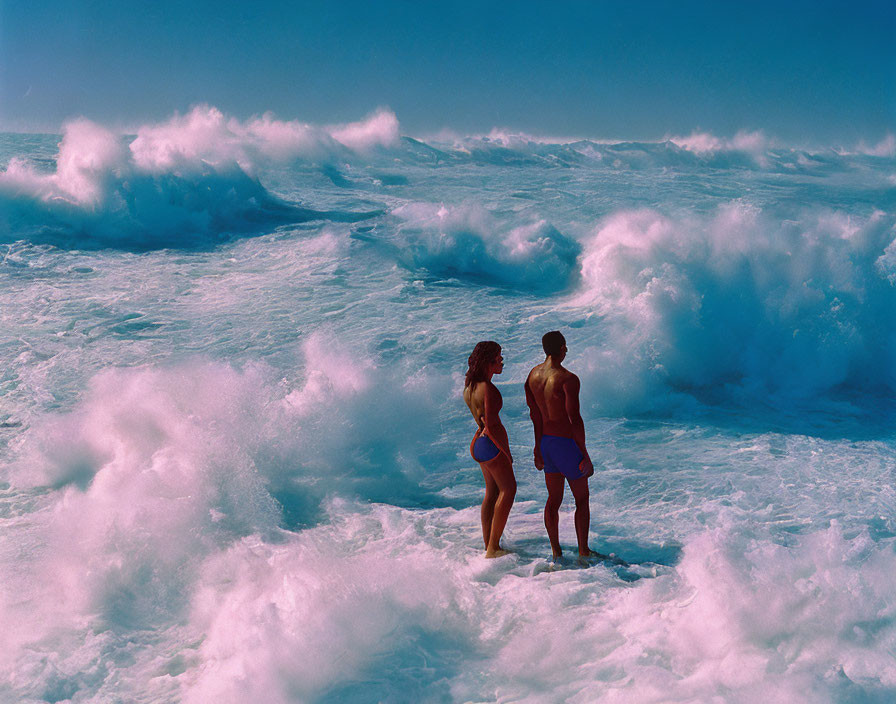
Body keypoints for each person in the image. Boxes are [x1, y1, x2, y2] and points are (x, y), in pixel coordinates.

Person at [524, 331, 604, 561]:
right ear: (561, 348)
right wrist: (585, 454)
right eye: (565, 347)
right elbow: (574, 419)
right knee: (582, 499)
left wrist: (537, 447)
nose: (567, 350)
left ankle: (556, 552)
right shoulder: (568, 379)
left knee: (553, 500)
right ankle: (583, 551)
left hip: (547, 444)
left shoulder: (532, 376)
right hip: (566, 445)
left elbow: (535, 415)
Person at [464, 341, 517, 558]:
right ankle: (494, 547)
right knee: (509, 489)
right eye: (498, 357)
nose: (502, 360)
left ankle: (489, 544)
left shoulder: (470, 387)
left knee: (491, 493)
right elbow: (493, 426)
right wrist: (506, 452)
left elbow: (482, 421)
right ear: (489, 361)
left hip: (478, 443)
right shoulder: (489, 389)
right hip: (491, 444)